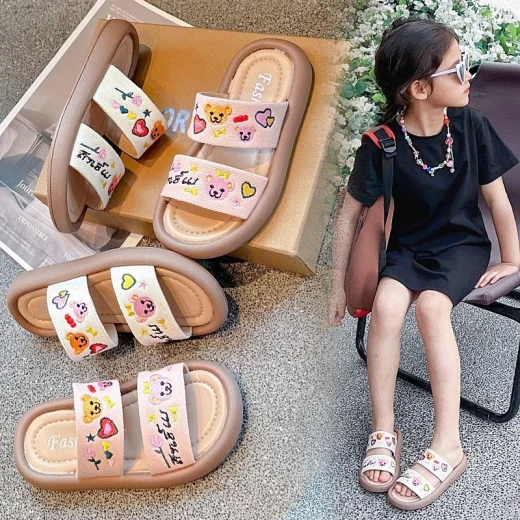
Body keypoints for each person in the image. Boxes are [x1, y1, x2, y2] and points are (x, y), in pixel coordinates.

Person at [329, 16, 520, 510]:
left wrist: (512, 259)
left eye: (466, 64)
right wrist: (336, 285)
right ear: (418, 89)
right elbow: (349, 216)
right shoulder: (383, 145)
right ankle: (384, 429)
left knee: (433, 309)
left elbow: (498, 202)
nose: (468, 76)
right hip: (409, 246)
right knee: (387, 306)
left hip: (461, 245)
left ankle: (448, 446)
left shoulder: (471, 127)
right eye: (457, 69)